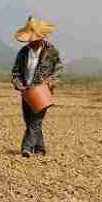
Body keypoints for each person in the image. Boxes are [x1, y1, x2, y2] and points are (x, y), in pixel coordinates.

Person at [11, 17, 64, 157]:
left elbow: (59, 69)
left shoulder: (51, 51)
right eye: (31, 39)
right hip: (26, 91)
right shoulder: (23, 52)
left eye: (35, 38)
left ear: (42, 37)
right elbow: (16, 72)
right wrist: (19, 84)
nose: (32, 41)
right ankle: (40, 149)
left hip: (43, 91)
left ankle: (26, 148)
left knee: (36, 120)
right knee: (29, 121)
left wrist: (50, 81)